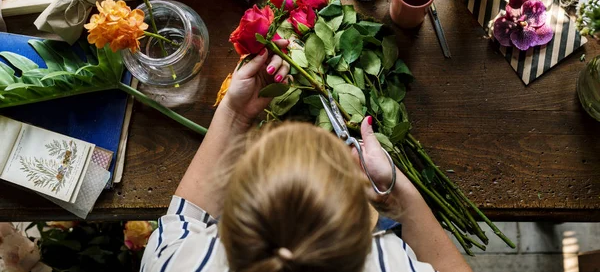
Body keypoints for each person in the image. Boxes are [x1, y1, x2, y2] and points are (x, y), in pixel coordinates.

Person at [140, 47, 473, 272]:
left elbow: (185, 218)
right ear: (364, 229)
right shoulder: (389, 262)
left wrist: (235, 114)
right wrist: (395, 190)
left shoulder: (178, 262)